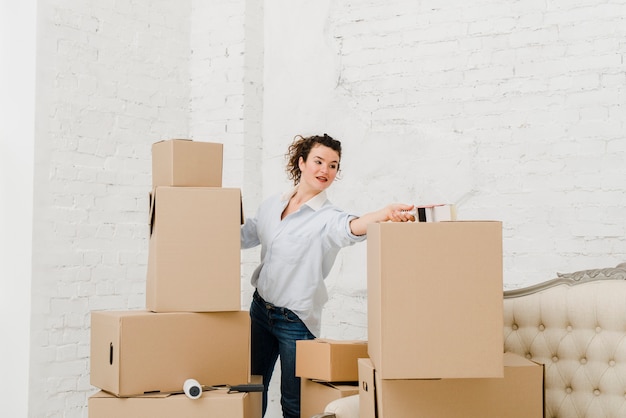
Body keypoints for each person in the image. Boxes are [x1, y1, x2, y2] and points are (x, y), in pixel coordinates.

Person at [240, 133, 415, 418]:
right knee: (250, 390)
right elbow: (246, 235)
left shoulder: (328, 217)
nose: (325, 170)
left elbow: (352, 227)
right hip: (260, 311)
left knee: (294, 403)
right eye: (319, 162)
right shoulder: (272, 205)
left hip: (295, 321)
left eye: (333, 165)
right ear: (302, 162)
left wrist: (383, 213)